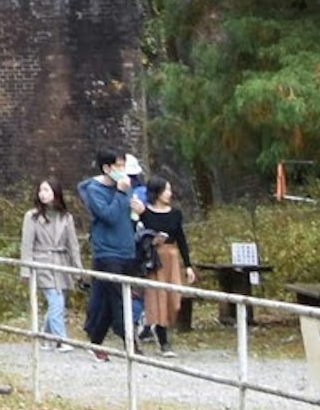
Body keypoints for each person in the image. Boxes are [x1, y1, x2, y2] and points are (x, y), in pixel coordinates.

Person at [78, 151, 143, 355]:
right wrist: (121, 194)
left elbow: (128, 218)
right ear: (107, 168)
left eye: (124, 166)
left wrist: (139, 211)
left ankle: (95, 341)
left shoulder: (125, 188)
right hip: (107, 251)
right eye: (118, 166)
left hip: (126, 249)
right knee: (119, 297)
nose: (122, 171)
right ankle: (130, 342)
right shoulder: (94, 190)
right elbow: (108, 216)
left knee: (107, 298)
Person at [19, 178, 81, 346]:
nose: (43, 194)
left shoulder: (66, 217)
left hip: (61, 264)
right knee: (56, 300)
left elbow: (73, 244)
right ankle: (62, 340)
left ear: (56, 193)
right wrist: (26, 270)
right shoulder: (31, 217)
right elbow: (27, 245)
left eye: (46, 190)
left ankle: (44, 337)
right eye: (41, 190)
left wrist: (78, 269)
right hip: (42, 263)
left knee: (57, 301)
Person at [140, 174, 191, 348]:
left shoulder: (176, 214)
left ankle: (159, 325)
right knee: (157, 296)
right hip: (155, 259)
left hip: (172, 257)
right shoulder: (145, 213)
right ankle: (161, 335)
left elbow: (181, 239)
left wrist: (188, 265)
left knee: (174, 297)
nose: (169, 193)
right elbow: (139, 237)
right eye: (166, 189)